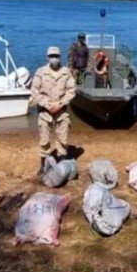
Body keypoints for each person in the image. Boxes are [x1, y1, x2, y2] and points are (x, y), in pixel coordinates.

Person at [31, 46, 76, 175]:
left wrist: (61, 104)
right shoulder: (40, 72)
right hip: (45, 113)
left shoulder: (66, 72)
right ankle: (43, 166)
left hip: (62, 113)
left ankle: (61, 166)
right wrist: (47, 105)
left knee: (63, 140)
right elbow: (35, 91)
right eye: (51, 56)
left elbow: (71, 91)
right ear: (47, 57)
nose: (54, 58)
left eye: (56, 56)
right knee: (44, 141)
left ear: (59, 57)